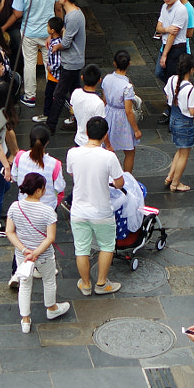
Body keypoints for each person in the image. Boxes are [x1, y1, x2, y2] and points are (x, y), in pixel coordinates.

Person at [66, 116, 126, 297]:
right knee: (107, 246)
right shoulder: (109, 157)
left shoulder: (73, 153)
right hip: (101, 212)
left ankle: (85, 284)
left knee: (81, 249)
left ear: (86, 131)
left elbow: (71, 173)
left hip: (78, 211)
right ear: (105, 134)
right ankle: (101, 283)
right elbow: (120, 183)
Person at [5, 171, 71, 332]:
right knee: (48, 280)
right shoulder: (48, 211)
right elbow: (50, 238)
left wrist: (25, 250)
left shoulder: (15, 206)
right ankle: (52, 308)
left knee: (25, 285)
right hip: (44, 256)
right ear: (39, 190)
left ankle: (25, 321)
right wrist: (36, 253)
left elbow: (9, 232)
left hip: (22, 256)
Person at [12, 0, 60, 107]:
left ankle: (30, 96)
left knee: (30, 63)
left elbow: (18, 13)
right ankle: (52, 95)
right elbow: (58, 8)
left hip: (29, 31)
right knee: (50, 63)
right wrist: (60, 28)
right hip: (49, 32)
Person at [161, 60, 194, 193]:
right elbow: (193, 111)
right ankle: (175, 183)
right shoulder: (191, 89)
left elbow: (167, 96)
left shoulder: (172, 79)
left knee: (180, 150)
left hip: (173, 118)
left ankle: (170, 177)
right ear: (191, 70)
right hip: (185, 123)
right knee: (184, 154)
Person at [102, 50, 141, 170]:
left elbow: (104, 100)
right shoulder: (127, 87)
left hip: (108, 113)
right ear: (129, 64)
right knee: (129, 151)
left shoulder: (107, 79)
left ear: (114, 63)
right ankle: (127, 178)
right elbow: (129, 111)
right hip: (122, 118)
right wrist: (136, 129)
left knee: (107, 149)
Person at [154, 0, 194, 87]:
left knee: (172, 77)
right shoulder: (164, 6)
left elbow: (174, 35)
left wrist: (164, 55)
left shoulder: (181, 10)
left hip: (176, 48)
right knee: (160, 73)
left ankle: (176, 97)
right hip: (165, 45)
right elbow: (158, 27)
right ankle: (172, 93)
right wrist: (167, 29)